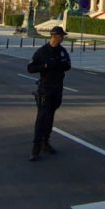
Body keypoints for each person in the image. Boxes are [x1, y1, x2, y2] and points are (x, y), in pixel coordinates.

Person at [27, 26, 72, 161]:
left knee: (51, 116)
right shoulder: (42, 51)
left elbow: (68, 65)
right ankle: (36, 147)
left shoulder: (62, 51)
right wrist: (45, 66)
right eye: (61, 35)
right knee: (42, 117)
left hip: (57, 88)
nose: (63, 37)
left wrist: (60, 65)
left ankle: (46, 142)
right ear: (55, 36)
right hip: (45, 89)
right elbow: (30, 68)